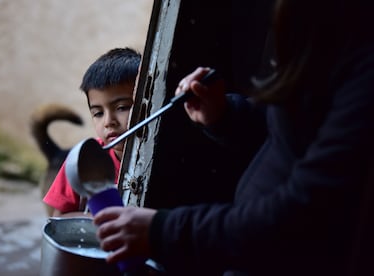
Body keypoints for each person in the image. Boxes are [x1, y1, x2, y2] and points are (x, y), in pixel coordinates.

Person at [93, 0, 374, 275]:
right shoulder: (333, 33)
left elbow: (305, 213)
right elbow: (292, 129)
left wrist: (162, 230)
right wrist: (225, 113)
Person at [43, 47, 141, 217]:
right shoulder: (85, 161)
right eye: (98, 113)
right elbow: (57, 219)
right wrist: (94, 220)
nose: (108, 121)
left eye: (122, 107)